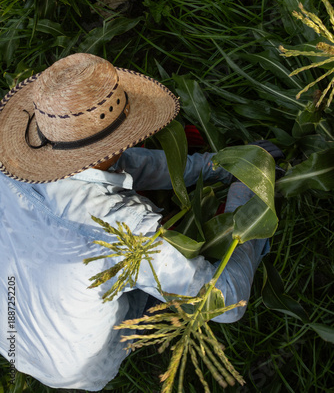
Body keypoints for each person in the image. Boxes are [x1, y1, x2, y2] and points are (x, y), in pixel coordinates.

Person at [0, 53, 270, 391]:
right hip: (76, 367)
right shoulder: (121, 230)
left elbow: (117, 161)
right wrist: (246, 193)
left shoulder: (9, 167)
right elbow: (227, 301)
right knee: (188, 273)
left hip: (11, 336)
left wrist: (213, 165)